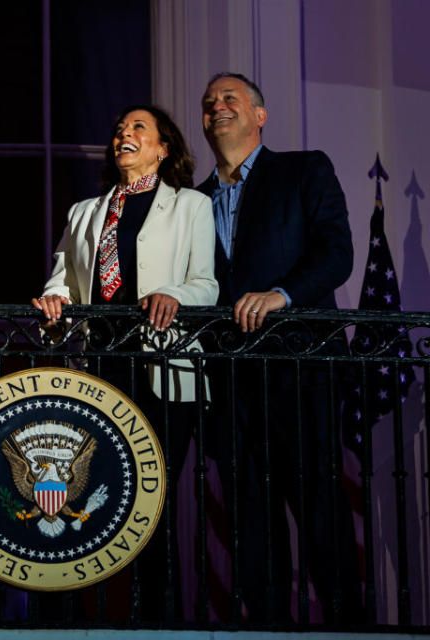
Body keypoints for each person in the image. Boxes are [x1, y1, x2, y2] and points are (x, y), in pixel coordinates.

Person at [33, 105, 217, 621]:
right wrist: (53, 304)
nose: (124, 134)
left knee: (149, 508)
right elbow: (62, 280)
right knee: (93, 505)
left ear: (163, 148)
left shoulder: (190, 206)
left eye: (138, 128)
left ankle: (160, 622)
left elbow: (207, 282)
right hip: (101, 373)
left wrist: (173, 294)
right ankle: (92, 620)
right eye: (118, 129)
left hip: (164, 370)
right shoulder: (85, 212)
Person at [195, 72, 361, 623]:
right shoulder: (192, 203)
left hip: (300, 369)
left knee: (318, 509)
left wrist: (282, 295)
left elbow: (337, 253)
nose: (217, 107)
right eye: (209, 102)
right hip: (228, 383)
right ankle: (266, 631)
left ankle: (345, 629)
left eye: (230, 99)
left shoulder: (303, 169)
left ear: (260, 115)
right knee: (248, 519)